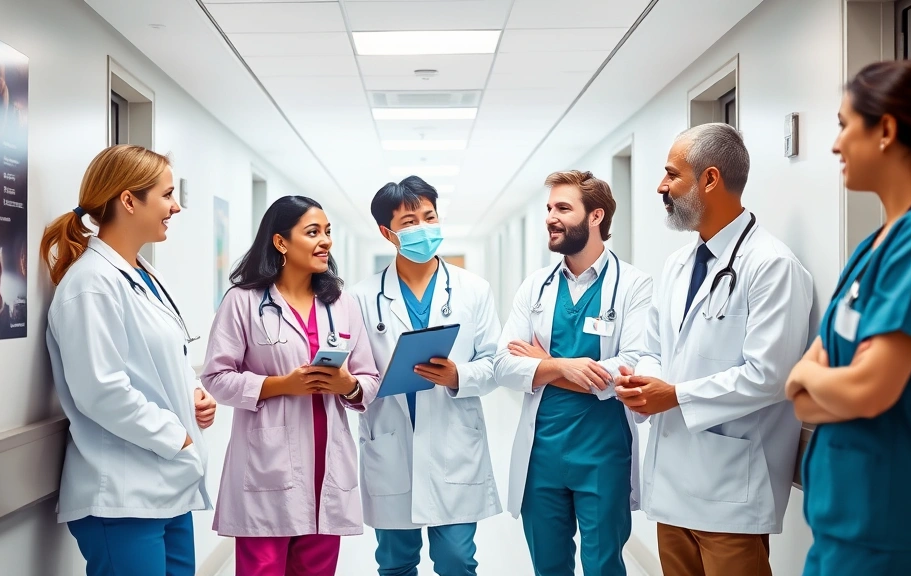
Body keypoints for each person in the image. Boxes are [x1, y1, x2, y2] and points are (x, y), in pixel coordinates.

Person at [786, 60, 911, 575]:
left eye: (843, 125)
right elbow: (803, 403)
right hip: (844, 524)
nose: (836, 145)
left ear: (885, 129)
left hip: (898, 531)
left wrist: (813, 376)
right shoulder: (873, 246)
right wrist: (828, 382)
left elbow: (866, 390)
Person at [615, 123, 813, 576]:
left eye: (671, 175)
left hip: (730, 493)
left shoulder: (771, 266)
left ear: (709, 179)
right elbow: (653, 349)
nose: (661, 186)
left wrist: (675, 395)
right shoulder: (677, 264)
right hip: (671, 488)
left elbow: (769, 375)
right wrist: (641, 379)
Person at [41, 145, 217, 576]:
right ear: (128, 200)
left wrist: (193, 394)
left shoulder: (142, 273)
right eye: (167, 195)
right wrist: (178, 437)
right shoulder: (91, 286)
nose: (176, 207)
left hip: (166, 486)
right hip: (121, 494)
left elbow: (158, 360)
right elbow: (100, 389)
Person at [201, 195, 381, 576]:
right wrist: (282, 385)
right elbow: (216, 378)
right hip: (268, 468)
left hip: (326, 468)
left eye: (328, 232)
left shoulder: (342, 303)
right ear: (281, 242)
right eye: (313, 232)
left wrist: (347, 384)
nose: (326, 241)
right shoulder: (243, 301)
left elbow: (369, 379)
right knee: (262, 569)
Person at [494, 170, 652, 576]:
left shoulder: (634, 285)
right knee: (548, 566)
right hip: (542, 454)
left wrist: (541, 364)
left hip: (603, 452)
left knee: (603, 567)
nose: (551, 217)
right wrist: (564, 365)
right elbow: (504, 365)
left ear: (596, 216)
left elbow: (631, 365)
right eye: (549, 208)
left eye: (563, 208)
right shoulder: (536, 287)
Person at [349, 176, 501, 576]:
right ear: (388, 232)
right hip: (391, 443)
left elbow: (494, 364)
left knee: (457, 561)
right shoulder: (361, 298)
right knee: (395, 563)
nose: (423, 229)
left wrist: (457, 376)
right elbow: (356, 372)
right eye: (410, 222)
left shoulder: (473, 290)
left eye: (429, 217)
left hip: (454, 444)